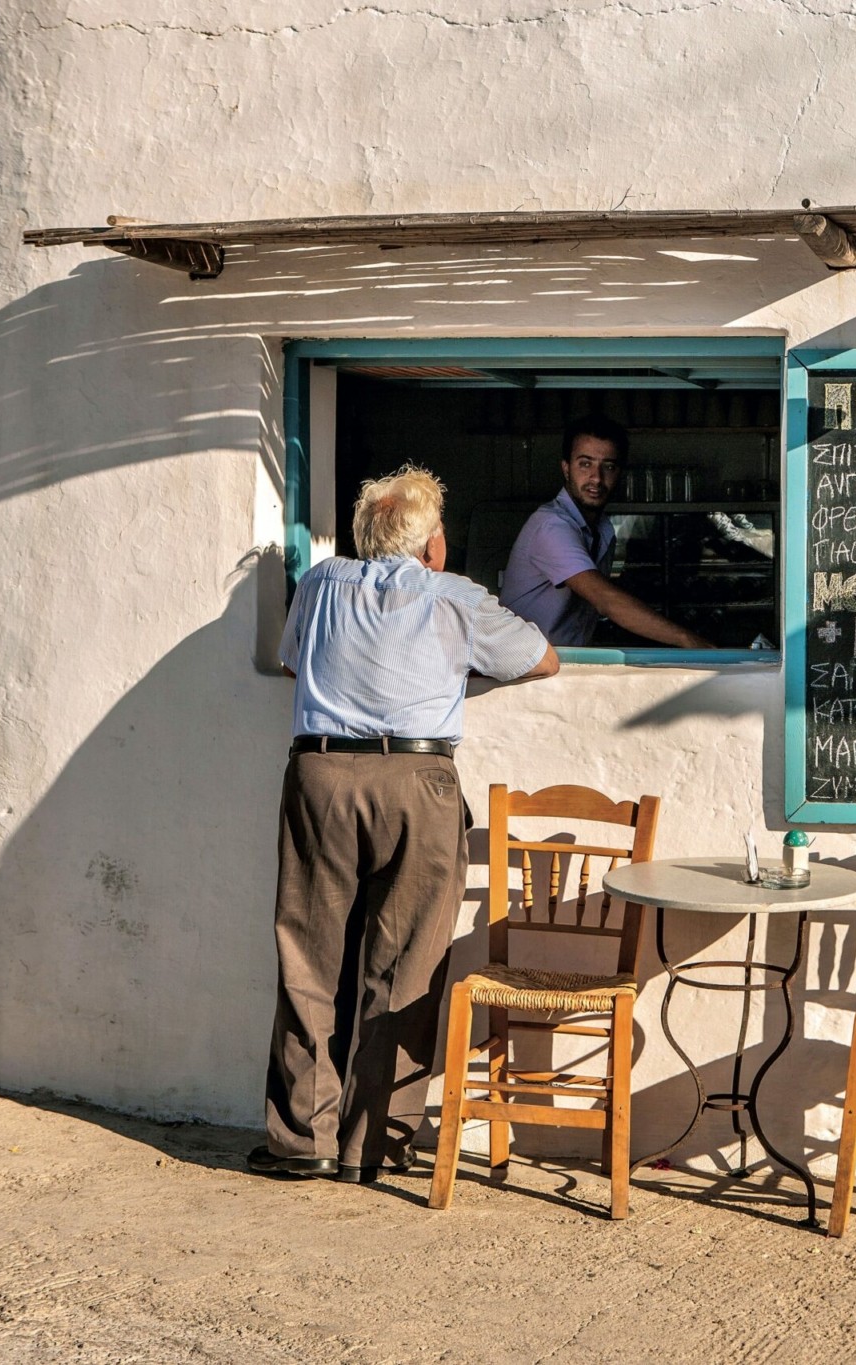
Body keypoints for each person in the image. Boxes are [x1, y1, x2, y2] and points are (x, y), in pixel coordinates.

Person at [252, 465, 558, 1183]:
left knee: (309, 956)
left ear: (364, 536)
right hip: (418, 781)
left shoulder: (322, 584)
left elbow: (293, 661)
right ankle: (372, 1143)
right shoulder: (454, 597)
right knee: (407, 965)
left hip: (322, 773)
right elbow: (542, 659)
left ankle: (305, 1140)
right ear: (434, 544)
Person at [499, 414, 712, 648]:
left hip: (565, 663)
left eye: (608, 466)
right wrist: (689, 641)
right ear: (566, 468)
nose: (596, 479)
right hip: (525, 672)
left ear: (619, 472)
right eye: (585, 464)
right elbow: (605, 601)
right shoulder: (551, 526)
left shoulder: (602, 529)